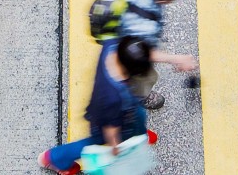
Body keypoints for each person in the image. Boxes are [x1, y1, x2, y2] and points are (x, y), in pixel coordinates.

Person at [39, 36, 154, 173]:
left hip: (119, 110)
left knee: (138, 114)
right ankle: (54, 158)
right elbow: (111, 131)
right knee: (94, 142)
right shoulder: (114, 98)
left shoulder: (112, 46)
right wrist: (116, 149)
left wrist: (175, 59)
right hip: (110, 119)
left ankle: (137, 135)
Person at [99, 0, 196, 110]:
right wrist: (177, 59)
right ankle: (140, 96)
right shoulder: (144, 26)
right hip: (127, 48)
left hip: (124, 27)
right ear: (162, 0)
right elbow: (143, 53)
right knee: (147, 77)